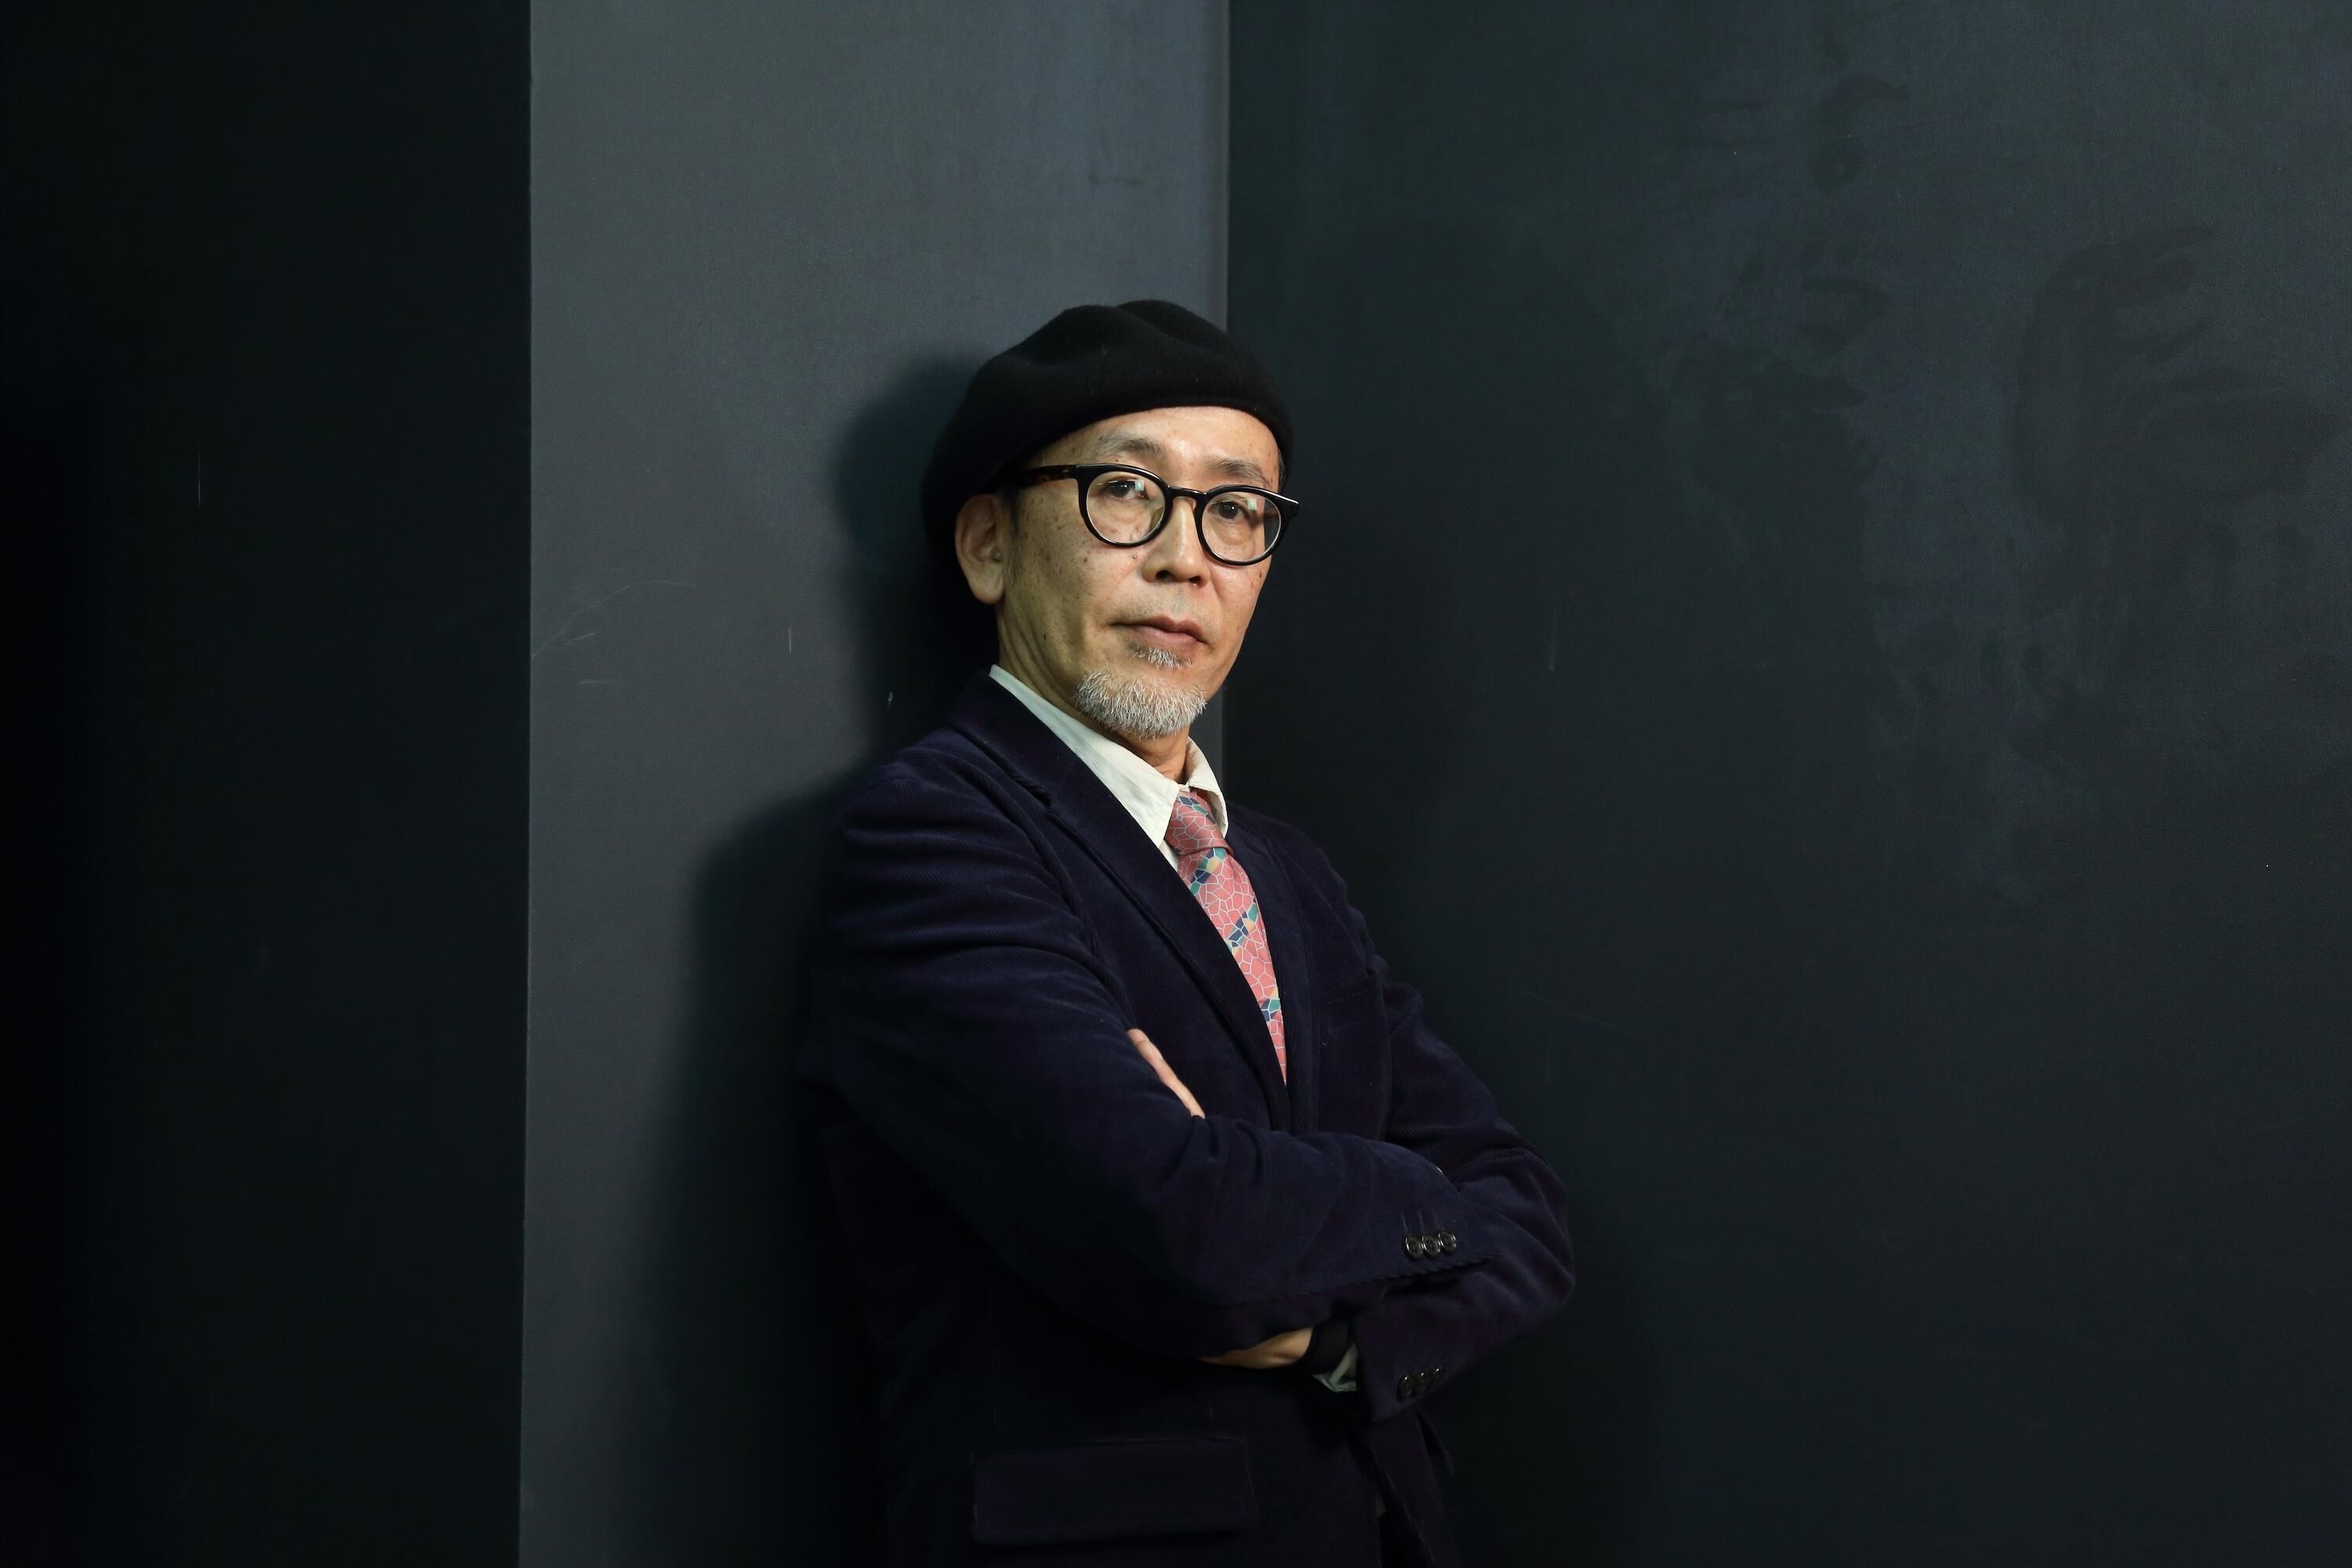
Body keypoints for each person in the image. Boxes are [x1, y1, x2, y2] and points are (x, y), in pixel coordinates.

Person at [800, 300, 1575, 1566]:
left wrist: (1342, 1340)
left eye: (1237, 511)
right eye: (1126, 493)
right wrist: (1416, 1200)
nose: (1186, 560)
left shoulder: (1288, 873)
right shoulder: (936, 839)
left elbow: (1528, 1211)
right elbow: (1188, 1233)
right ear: (990, 545)